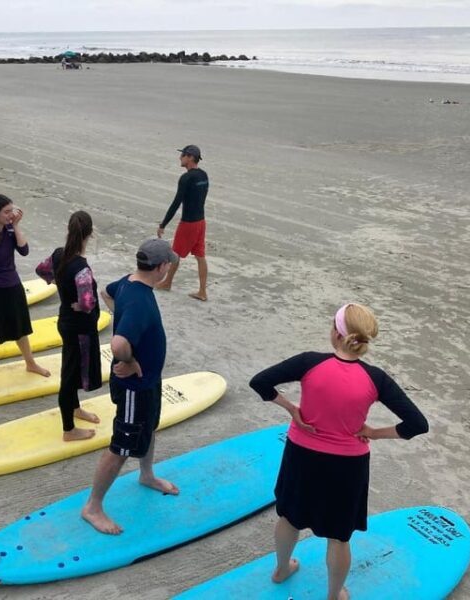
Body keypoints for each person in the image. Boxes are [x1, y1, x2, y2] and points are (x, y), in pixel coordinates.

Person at [249, 303, 429, 600]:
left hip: (301, 455)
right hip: (347, 466)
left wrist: (292, 409)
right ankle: (333, 595)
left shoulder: (309, 361)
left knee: (289, 518)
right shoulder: (376, 378)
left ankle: (281, 569)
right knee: (338, 536)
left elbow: (260, 382)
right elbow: (416, 424)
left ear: (336, 333)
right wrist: (374, 433)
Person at [81, 238, 180, 535]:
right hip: (135, 386)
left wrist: (119, 317)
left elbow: (105, 292)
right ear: (161, 267)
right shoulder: (139, 300)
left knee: (148, 427)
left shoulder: (128, 282)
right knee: (122, 445)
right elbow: (118, 343)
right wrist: (130, 359)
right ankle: (93, 506)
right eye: (169, 265)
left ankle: (146, 475)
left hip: (147, 381)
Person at [0, 194, 50, 392]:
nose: (10, 215)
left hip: (13, 286)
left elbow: (24, 251)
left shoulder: (9, 229)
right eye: (6, 212)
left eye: (11, 211)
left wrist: (15, 226)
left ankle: (30, 363)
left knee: (20, 329)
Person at [35, 211, 102, 441]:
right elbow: (86, 303)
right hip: (80, 328)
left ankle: (75, 408)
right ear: (89, 234)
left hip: (65, 321)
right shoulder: (82, 268)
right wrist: (79, 304)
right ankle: (68, 429)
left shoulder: (58, 255)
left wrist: (61, 287)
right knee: (70, 374)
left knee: (70, 368)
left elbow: (41, 270)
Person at [156, 144, 209, 301]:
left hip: (189, 224)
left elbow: (176, 203)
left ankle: (167, 282)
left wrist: (163, 224)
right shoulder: (204, 175)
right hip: (201, 221)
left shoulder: (186, 178)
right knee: (200, 256)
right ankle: (202, 292)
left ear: (191, 157)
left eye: (183, 155)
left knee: (175, 254)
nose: (180, 157)